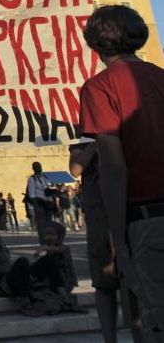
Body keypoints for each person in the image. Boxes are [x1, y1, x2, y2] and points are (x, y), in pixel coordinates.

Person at [78, 4, 164, 340]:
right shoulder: (160, 77)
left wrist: (118, 235)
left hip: (144, 220)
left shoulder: (99, 88)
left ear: (95, 43)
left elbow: (113, 165)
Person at [70, 142, 124, 343]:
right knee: (103, 285)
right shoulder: (82, 145)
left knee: (133, 285)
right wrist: (93, 148)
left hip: (125, 215)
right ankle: (109, 338)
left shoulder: (121, 136)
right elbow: (74, 170)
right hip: (100, 223)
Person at [27, 162, 54, 244]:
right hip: (40, 205)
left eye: (39, 166)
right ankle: (43, 242)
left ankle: (50, 241)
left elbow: (49, 187)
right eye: (36, 167)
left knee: (49, 224)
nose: (39, 168)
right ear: (33, 168)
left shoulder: (44, 177)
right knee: (41, 225)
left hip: (48, 204)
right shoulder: (32, 179)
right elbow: (32, 194)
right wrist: (36, 207)